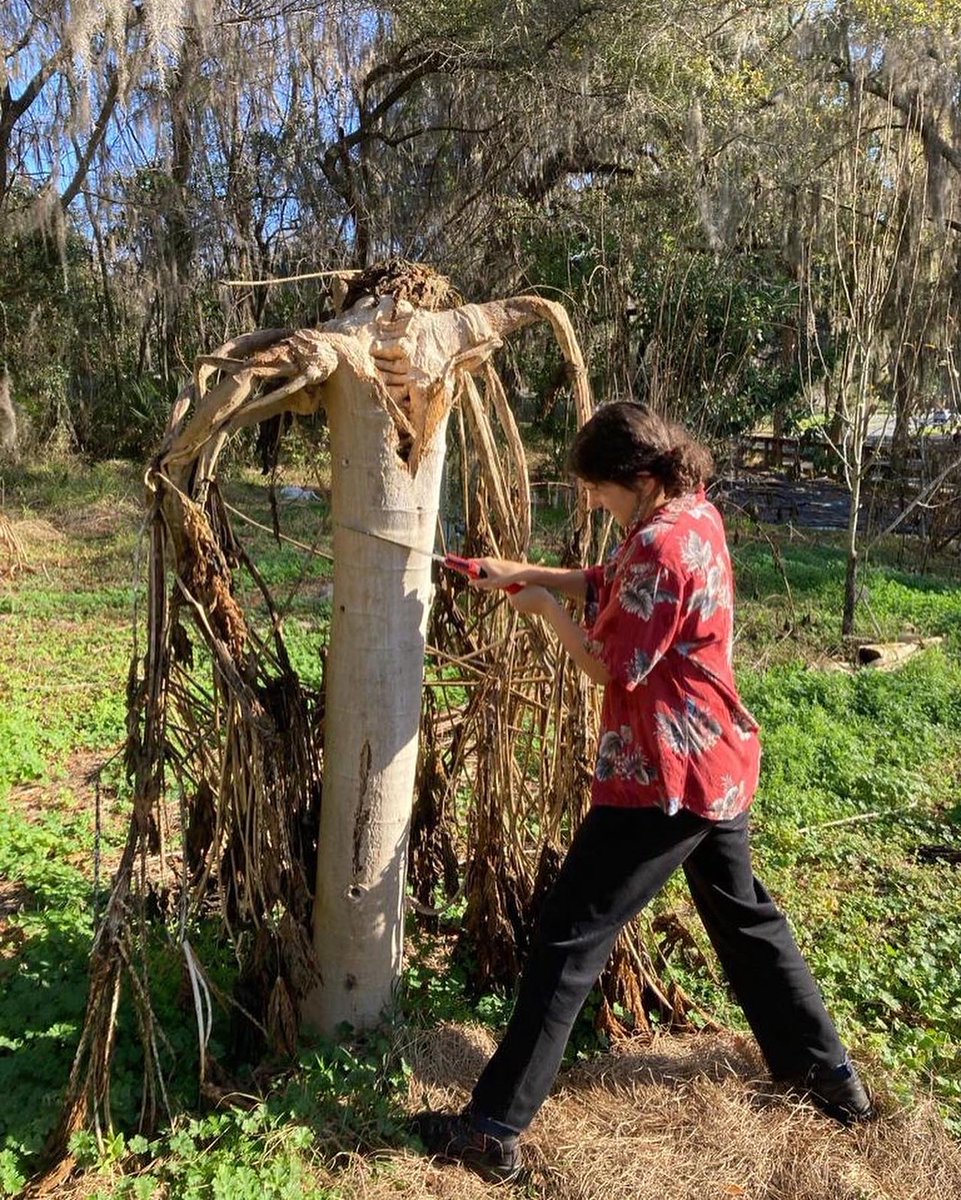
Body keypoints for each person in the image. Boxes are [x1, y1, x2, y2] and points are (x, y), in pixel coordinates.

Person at [412, 402, 874, 1183]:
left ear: (637, 476)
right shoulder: (692, 515)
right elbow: (615, 583)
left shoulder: (661, 543)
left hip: (662, 777)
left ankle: (491, 1128)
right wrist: (528, 572)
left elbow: (610, 666)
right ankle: (826, 1080)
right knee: (745, 921)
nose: (592, 502)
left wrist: (545, 612)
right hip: (715, 763)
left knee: (567, 934)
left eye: (597, 489)